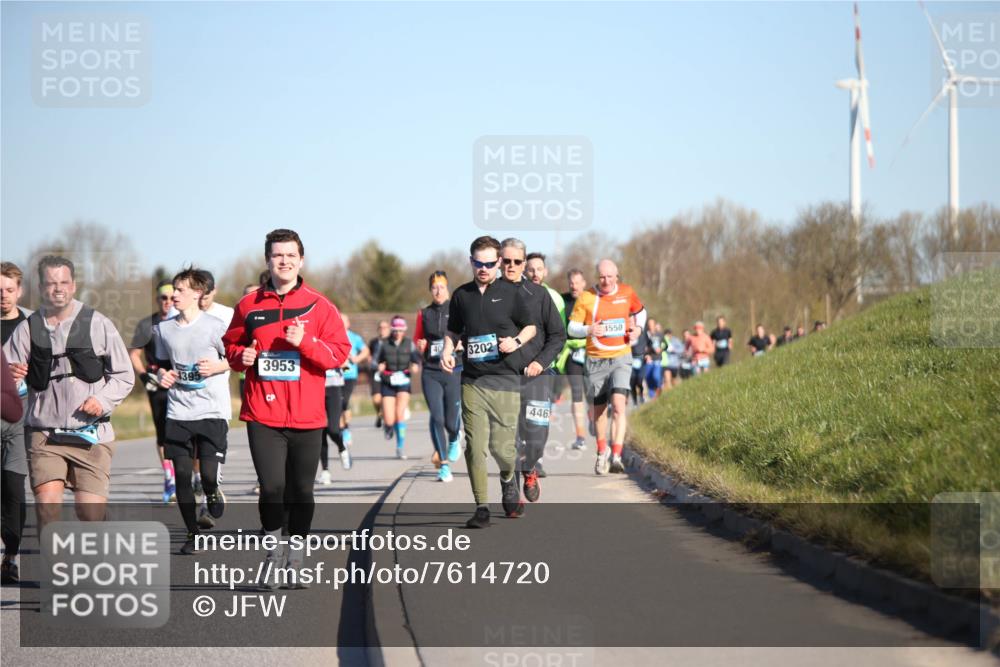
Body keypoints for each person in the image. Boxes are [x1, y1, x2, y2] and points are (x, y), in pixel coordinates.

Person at [223, 229, 351, 587]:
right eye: (277, 255)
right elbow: (231, 347)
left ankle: (296, 553)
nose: (284, 261)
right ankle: (272, 552)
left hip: (308, 415)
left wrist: (306, 341)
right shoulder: (248, 307)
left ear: (301, 260)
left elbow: (337, 355)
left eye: (291, 255)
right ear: (267, 260)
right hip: (262, 414)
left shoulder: (320, 305)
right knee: (272, 488)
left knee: (301, 491)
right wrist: (240, 356)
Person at [3, 256, 134, 534]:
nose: (58, 289)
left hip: (90, 434)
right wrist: (12, 376)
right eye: (51, 283)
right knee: (48, 508)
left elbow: (125, 375)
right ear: (40, 288)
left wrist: (102, 399)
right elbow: (6, 381)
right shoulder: (27, 328)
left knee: (88, 513)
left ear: (73, 286)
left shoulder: (98, 323)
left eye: (64, 282)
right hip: (44, 434)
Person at [441, 236, 536, 528]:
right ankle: (481, 506)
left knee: (502, 449)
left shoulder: (512, 292)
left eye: (490, 263)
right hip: (473, 381)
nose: (484, 269)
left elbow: (532, 327)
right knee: (475, 446)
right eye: (478, 263)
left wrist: (516, 341)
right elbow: (454, 330)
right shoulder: (461, 295)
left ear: (498, 263)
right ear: (471, 262)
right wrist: (447, 348)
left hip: (505, 379)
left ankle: (509, 477)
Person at [153, 268, 232, 554]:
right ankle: (192, 533)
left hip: (212, 410)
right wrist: (163, 375)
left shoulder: (215, 326)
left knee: (208, 476)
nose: (174, 294)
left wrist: (217, 367)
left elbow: (235, 359)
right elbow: (160, 364)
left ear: (197, 294)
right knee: (183, 477)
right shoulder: (163, 329)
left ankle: (212, 490)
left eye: (181, 290)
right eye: (174, 289)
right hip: (179, 412)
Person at [567, 260, 647, 475]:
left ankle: (617, 455)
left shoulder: (627, 292)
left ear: (617, 276)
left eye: (610, 277)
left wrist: (638, 329)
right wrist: (589, 329)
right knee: (599, 411)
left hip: (621, 356)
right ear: (597, 277)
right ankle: (602, 452)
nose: (606, 281)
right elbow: (572, 328)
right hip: (596, 360)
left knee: (619, 405)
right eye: (602, 277)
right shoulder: (587, 297)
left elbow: (641, 312)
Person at [504, 245, 565, 502]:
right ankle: (511, 491)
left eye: (517, 261)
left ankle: (530, 469)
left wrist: (541, 362)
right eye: (507, 261)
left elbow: (558, 335)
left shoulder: (541, 295)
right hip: (504, 376)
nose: (512, 266)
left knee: (536, 435)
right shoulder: (492, 295)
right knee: (510, 437)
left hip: (538, 375)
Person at [129, 280, 176, 504]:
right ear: (157, 300)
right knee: (162, 432)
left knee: (187, 431)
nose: (167, 302)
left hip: (180, 383)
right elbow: (134, 354)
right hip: (156, 383)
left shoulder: (182, 321)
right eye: (163, 298)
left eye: (171, 298)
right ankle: (169, 477)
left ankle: (191, 475)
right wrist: (143, 376)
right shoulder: (147, 324)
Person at [414, 271, 463, 482]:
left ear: (447, 288)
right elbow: (418, 339)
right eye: (434, 287)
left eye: (441, 286)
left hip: (453, 369)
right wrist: (421, 346)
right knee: (437, 417)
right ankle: (443, 465)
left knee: (451, 422)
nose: (438, 290)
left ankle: (454, 437)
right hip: (431, 371)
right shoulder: (423, 314)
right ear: (430, 290)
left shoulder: (457, 309)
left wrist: (462, 342)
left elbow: (468, 332)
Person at [0, 262, 31, 585]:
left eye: (10, 290)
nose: (4, 296)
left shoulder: (33, 323)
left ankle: (10, 555)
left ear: (19, 291)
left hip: (20, 417)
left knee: (13, 486)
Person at [377, 316, 421, 459]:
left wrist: (415, 366)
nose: (398, 333)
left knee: (399, 414)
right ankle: (388, 426)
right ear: (392, 330)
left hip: (403, 381)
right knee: (389, 419)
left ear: (404, 331)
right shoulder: (383, 344)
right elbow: (375, 361)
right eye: (395, 330)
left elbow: (416, 360)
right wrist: (379, 366)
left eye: (400, 330)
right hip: (388, 381)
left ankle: (400, 447)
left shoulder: (409, 344)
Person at [556, 269, 589, 450]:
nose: (573, 286)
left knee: (593, 395)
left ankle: (593, 419)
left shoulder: (592, 300)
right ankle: (580, 436)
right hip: (572, 354)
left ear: (584, 283)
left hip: (592, 353)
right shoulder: (563, 301)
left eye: (577, 282)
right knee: (577, 394)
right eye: (571, 282)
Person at [338, 314, 368, 451]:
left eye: (343, 321)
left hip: (349, 375)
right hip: (334, 375)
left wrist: (357, 359)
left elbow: (366, 350)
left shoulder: (354, 337)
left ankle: (346, 429)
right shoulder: (331, 335)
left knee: (344, 401)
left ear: (348, 323)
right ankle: (343, 429)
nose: (340, 323)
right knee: (337, 403)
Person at [368, 320, 390, 428]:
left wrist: (386, 364)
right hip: (375, 371)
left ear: (389, 329)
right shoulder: (373, 342)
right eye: (380, 327)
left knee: (386, 396)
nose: (383, 330)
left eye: (385, 327)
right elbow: (369, 354)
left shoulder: (392, 342)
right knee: (376, 398)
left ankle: (387, 417)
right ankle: (379, 413)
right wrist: (370, 360)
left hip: (388, 372)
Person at [643, 319, 664, 398]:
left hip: (657, 359)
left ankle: (659, 387)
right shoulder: (645, 335)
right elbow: (641, 347)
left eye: (652, 324)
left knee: (656, 376)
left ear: (655, 325)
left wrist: (661, 349)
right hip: (648, 360)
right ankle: (652, 397)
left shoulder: (660, 335)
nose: (650, 326)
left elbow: (666, 345)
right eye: (649, 324)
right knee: (648, 379)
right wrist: (646, 354)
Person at [629, 323, 649, 406]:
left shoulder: (644, 333)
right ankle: (634, 401)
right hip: (631, 359)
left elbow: (650, 343)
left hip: (641, 360)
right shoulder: (628, 331)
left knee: (640, 380)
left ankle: (641, 396)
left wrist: (649, 354)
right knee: (632, 382)